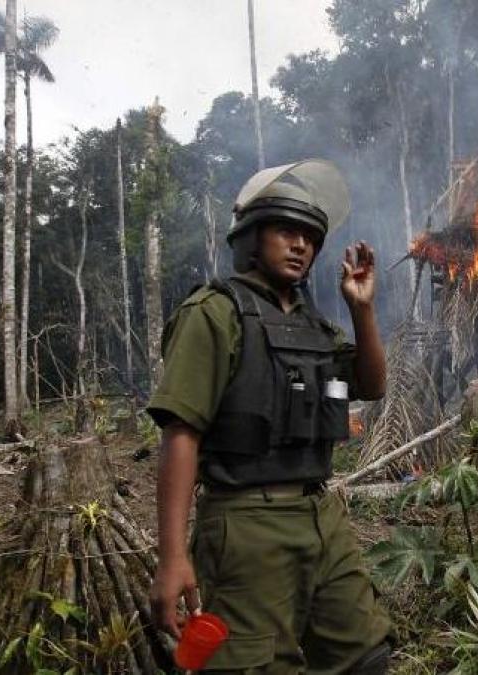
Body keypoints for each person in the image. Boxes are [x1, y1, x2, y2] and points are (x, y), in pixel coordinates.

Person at [147, 159, 391, 674]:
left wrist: (362, 309)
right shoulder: (215, 313)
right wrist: (172, 557)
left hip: (320, 516)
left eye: (309, 236)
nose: (300, 245)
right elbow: (181, 432)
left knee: (364, 657)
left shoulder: (314, 326)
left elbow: (370, 385)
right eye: (286, 231)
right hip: (244, 524)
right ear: (250, 239)